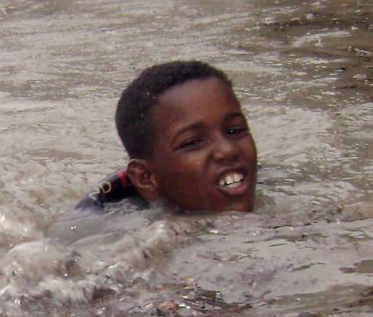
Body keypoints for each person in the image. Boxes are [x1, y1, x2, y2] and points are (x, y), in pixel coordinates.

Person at [75, 61, 258, 213]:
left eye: (235, 130)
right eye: (193, 142)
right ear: (146, 178)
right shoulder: (141, 247)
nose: (228, 150)